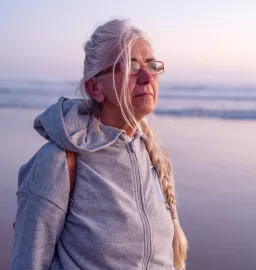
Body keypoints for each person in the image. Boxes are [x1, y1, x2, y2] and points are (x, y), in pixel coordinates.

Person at [10, 18, 188, 270]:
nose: (147, 77)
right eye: (130, 66)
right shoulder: (58, 162)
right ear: (95, 87)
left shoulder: (154, 156)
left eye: (151, 65)